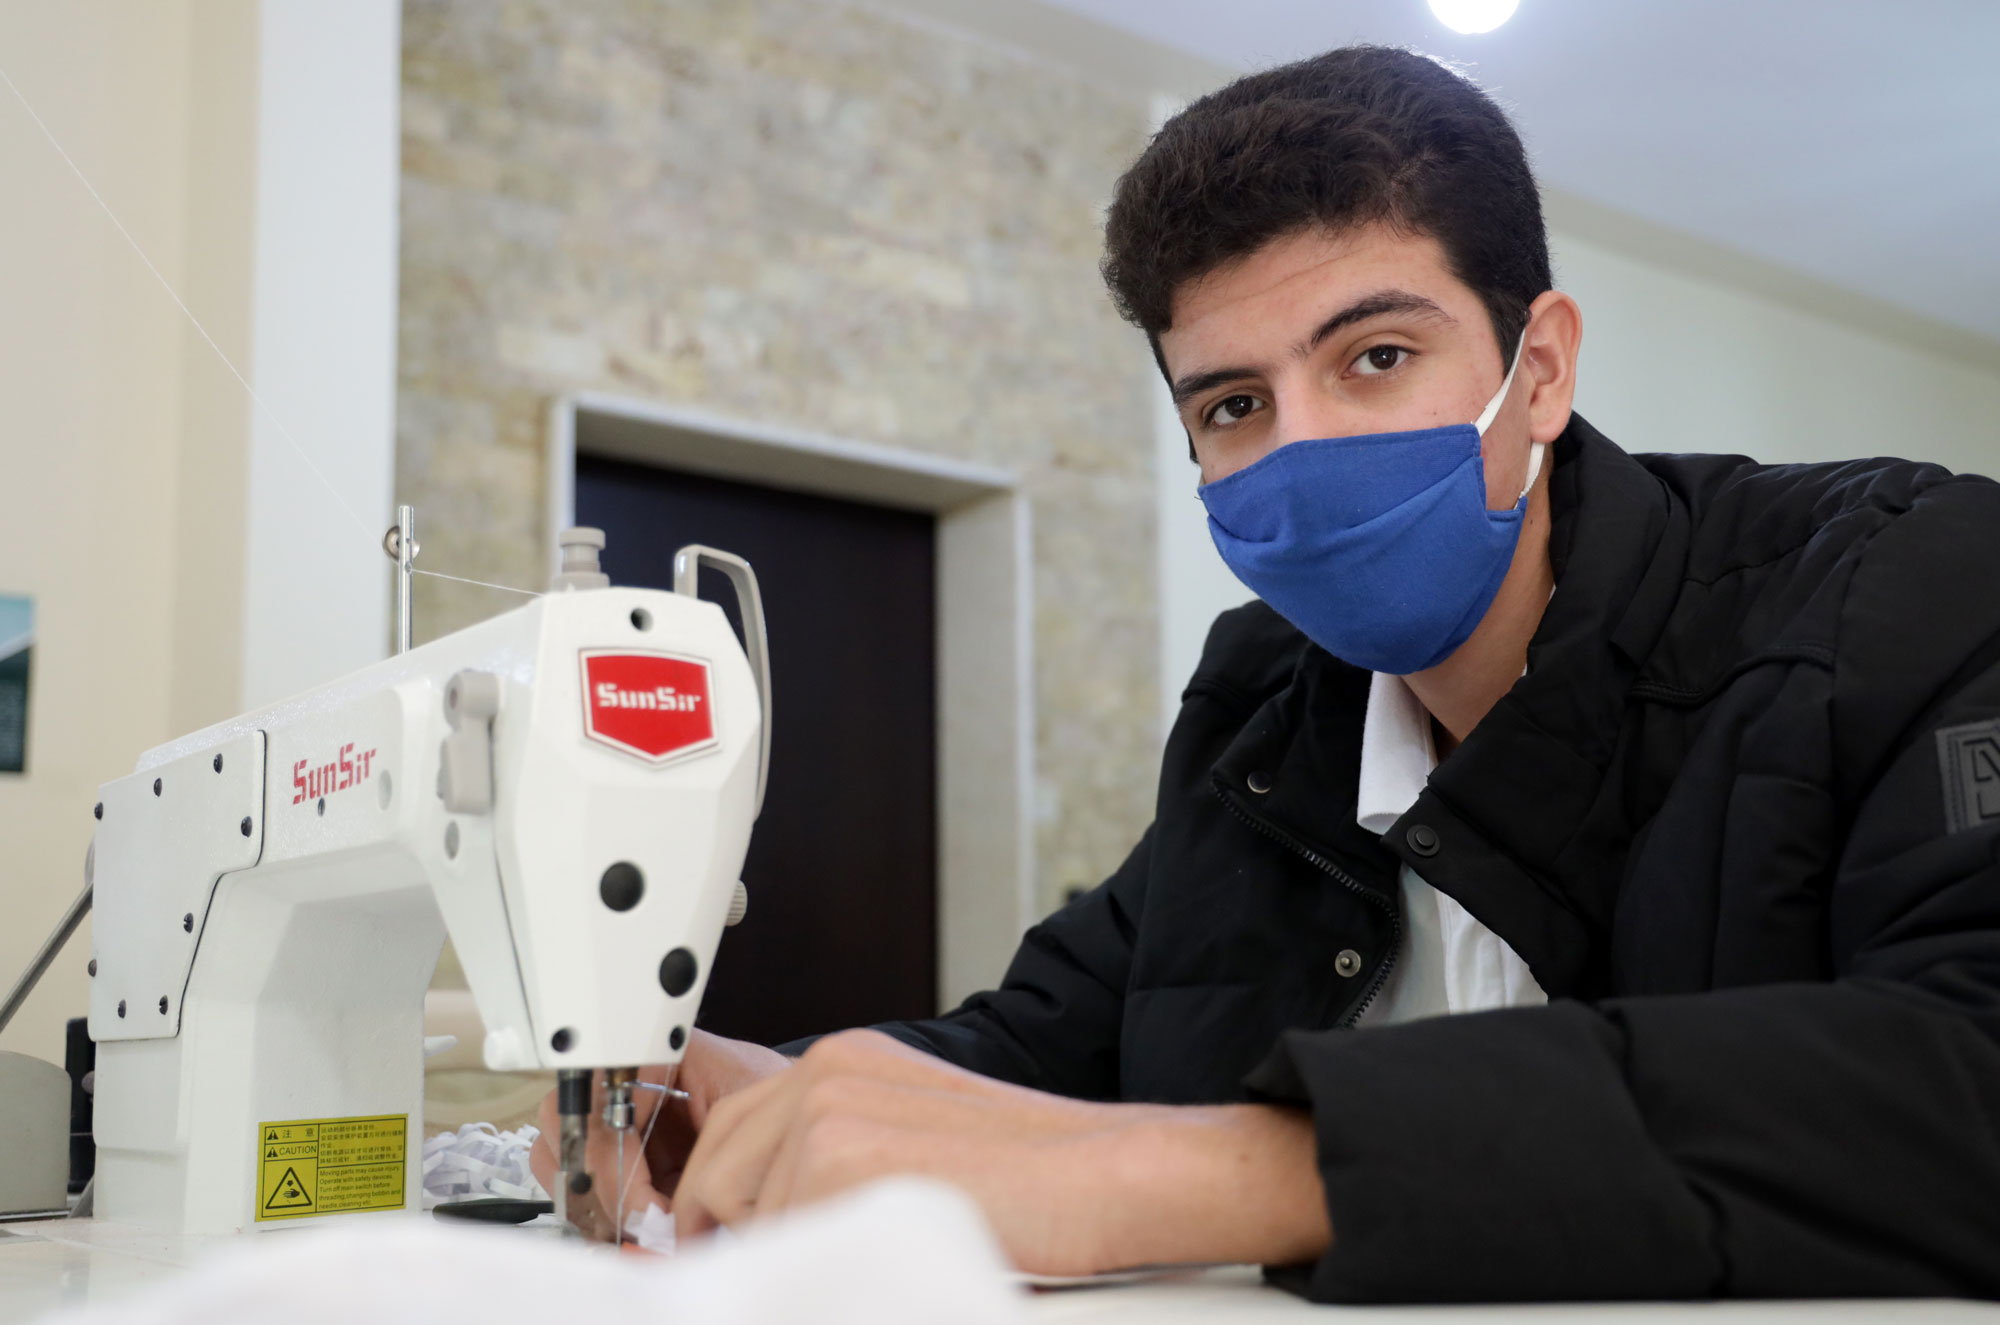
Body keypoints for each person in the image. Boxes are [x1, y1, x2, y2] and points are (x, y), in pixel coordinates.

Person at [532, 45, 2000, 1302]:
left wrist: (1243, 1170)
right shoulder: (1263, 716)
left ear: (1538, 367)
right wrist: (767, 1092)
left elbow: (1959, 1073)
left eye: (1372, 357)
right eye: (1234, 403)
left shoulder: (1908, 592)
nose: (1299, 446)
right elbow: (1040, 1048)